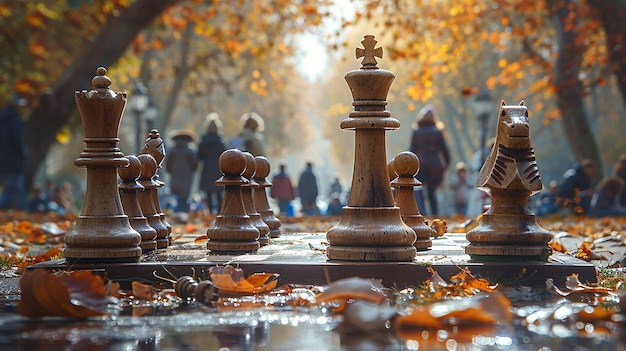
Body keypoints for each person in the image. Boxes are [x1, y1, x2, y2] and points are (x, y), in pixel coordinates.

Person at [409, 104, 450, 216]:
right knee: (432, 193)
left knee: (419, 191)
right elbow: (445, 150)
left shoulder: (416, 132)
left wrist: (409, 167)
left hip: (420, 165)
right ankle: (434, 215)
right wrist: (446, 165)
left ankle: (421, 215)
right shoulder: (437, 132)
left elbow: (412, 150)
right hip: (434, 166)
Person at [0, 95, 27, 210]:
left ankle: (21, 211)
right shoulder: (15, 120)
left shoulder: (3, 120)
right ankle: (22, 212)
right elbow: (17, 140)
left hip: (3, 159)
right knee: (13, 188)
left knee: (15, 188)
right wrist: (23, 153)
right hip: (13, 160)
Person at [197, 113, 227, 215]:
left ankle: (209, 213)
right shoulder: (221, 142)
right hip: (218, 169)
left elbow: (199, 156)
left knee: (208, 193)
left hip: (207, 169)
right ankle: (219, 213)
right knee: (219, 194)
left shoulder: (203, 142)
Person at [165, 129, 199, 214]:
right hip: (186, 179)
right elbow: (195, 165)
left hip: (175, 179)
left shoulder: (172, 150)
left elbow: (167, 165)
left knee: (174, 199)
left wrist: (172, 172)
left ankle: (174, 214)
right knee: (184, 199)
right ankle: (183, 215)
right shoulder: (190, 150)